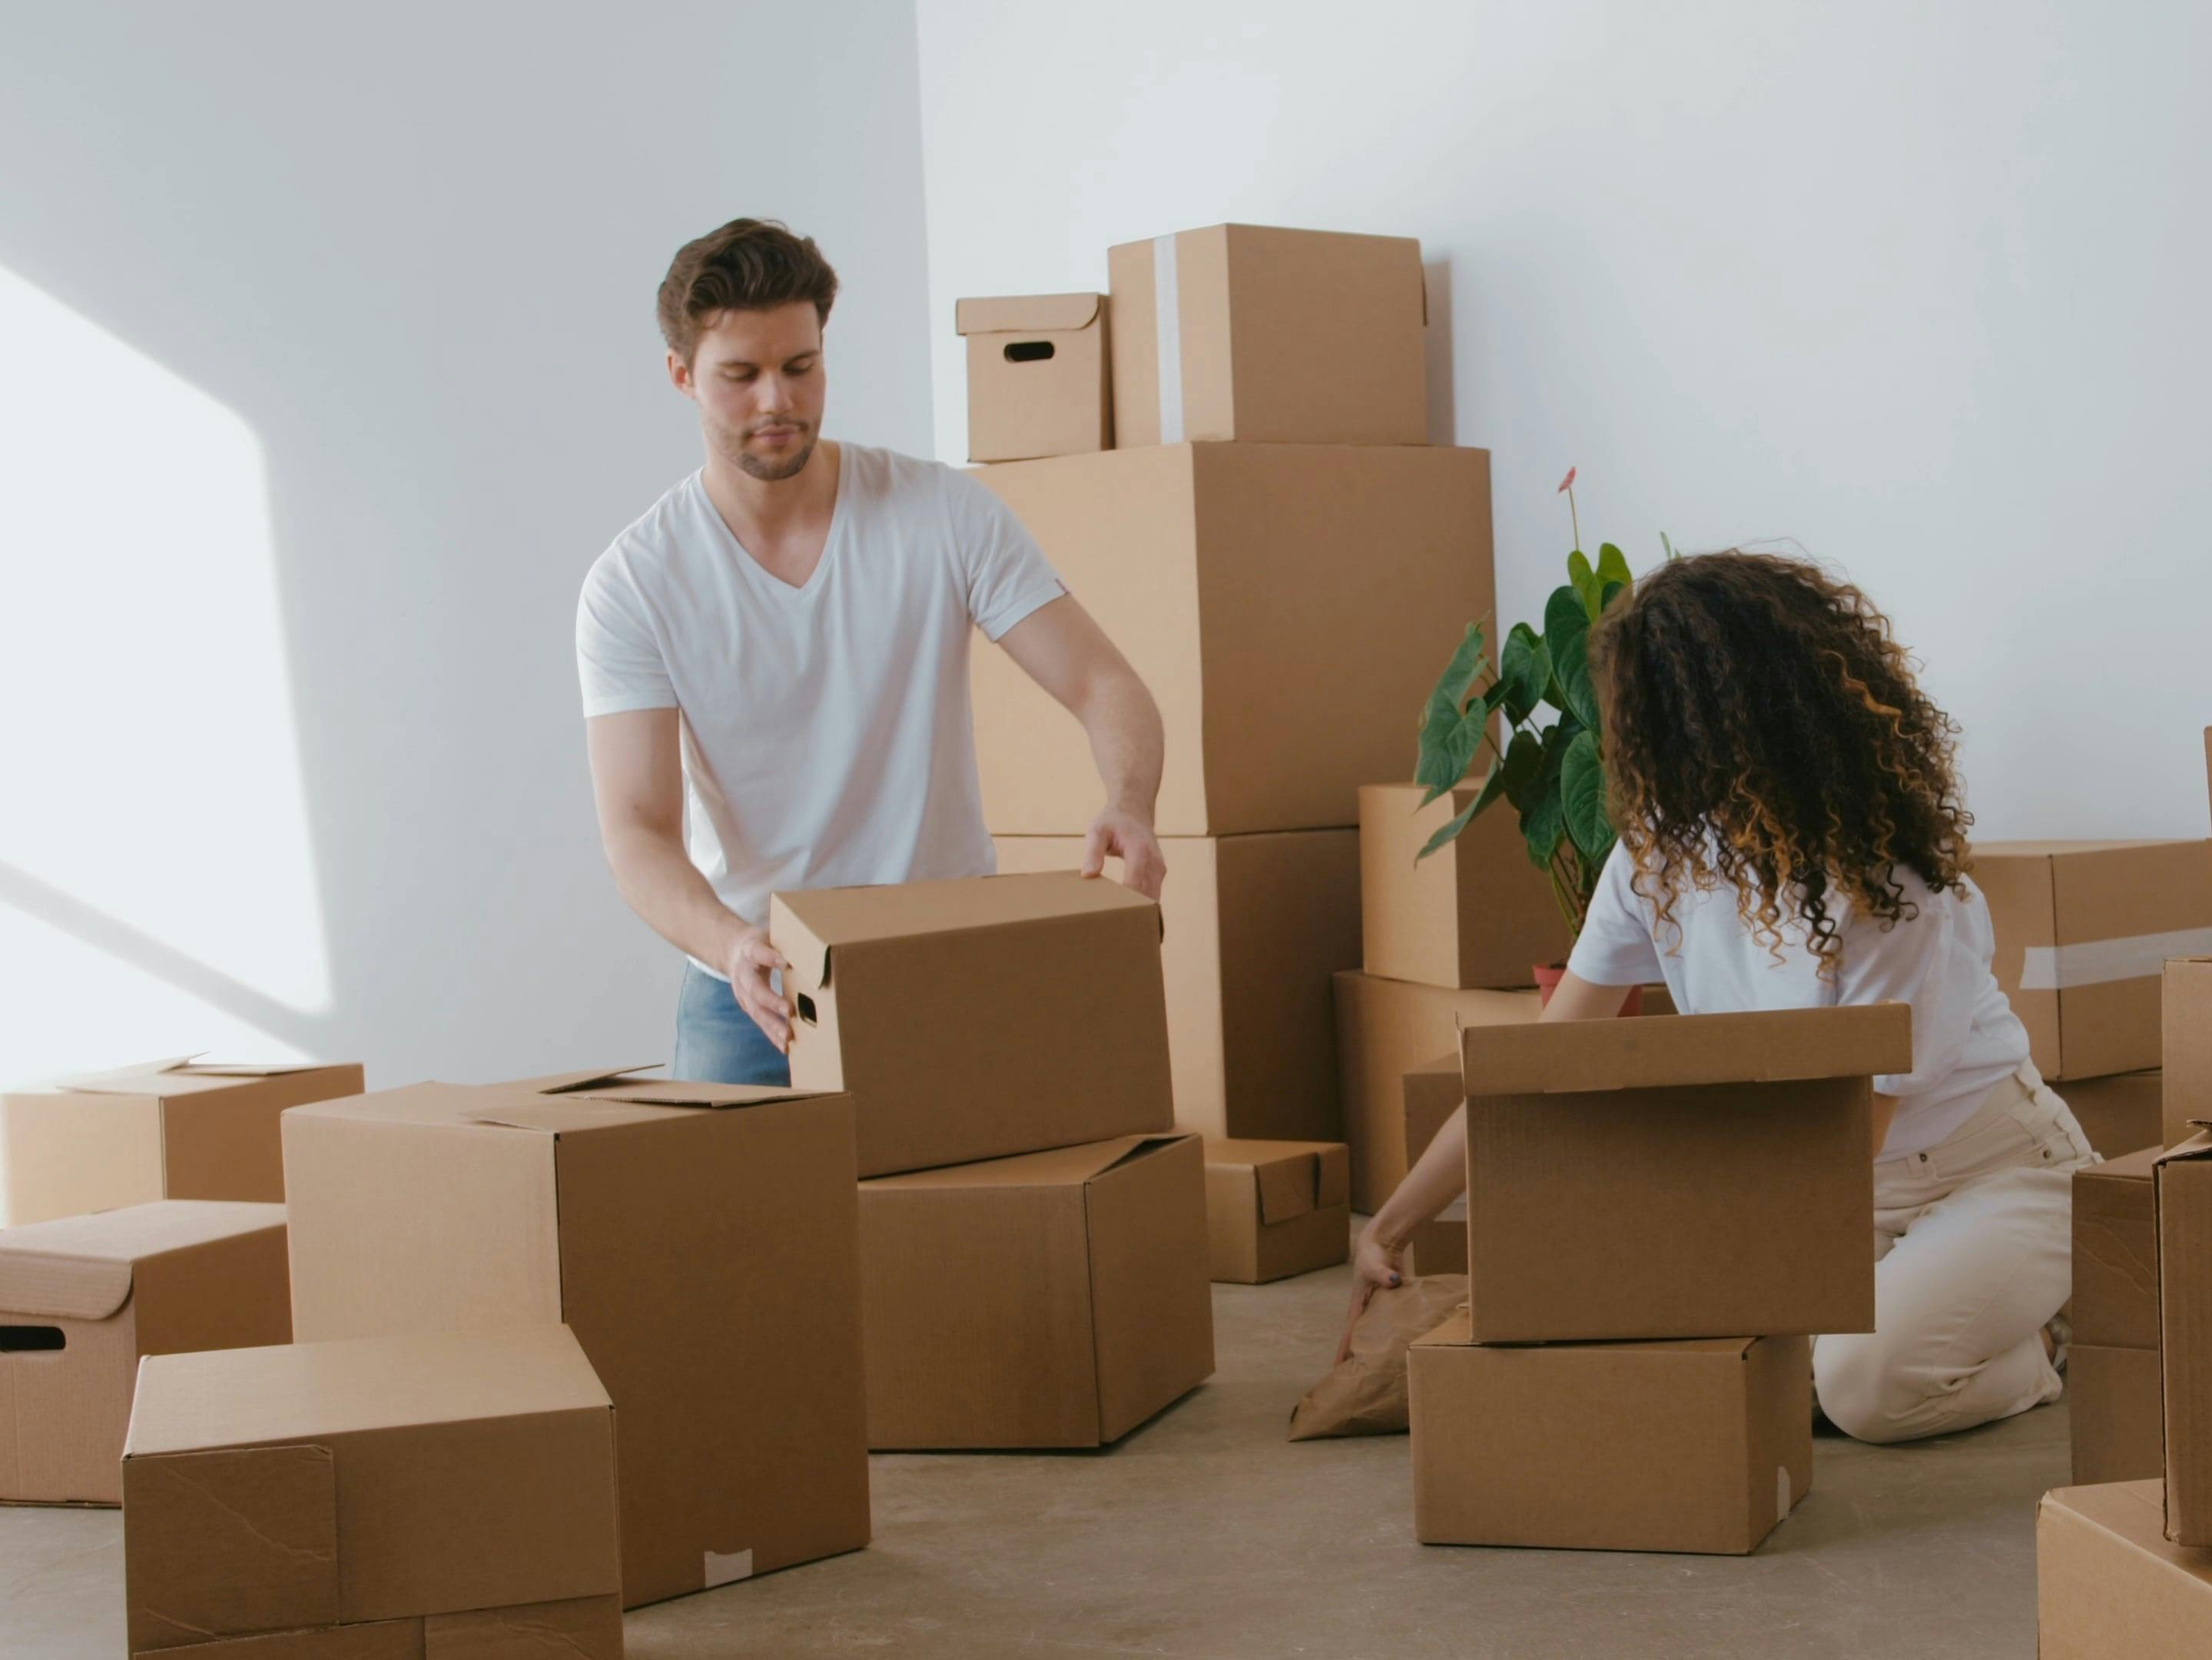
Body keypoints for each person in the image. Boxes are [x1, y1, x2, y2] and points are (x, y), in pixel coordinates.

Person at [1347, 550, 2094, 1443]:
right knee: (1708, 1351)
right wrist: (1390, 1227)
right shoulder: (1654, 862)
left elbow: (1854, 1133)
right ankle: (1921, 1319)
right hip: (1839, 1190)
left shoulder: (1893, 896)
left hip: (1986, 1173)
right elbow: (1533, 1070)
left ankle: (2043, 1345)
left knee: (1860, 1390)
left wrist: (1696, 1241)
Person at [576, 218, 1164, 1085]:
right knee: (742, 1226)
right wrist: (730, 944)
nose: (776, 400)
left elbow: (1102, 680)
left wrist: (1132, 799)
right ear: (681, 376)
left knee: (976, 1219)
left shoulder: (942, 514)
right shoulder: (636, 583)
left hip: (945, 965)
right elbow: (637, 829)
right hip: (753, 991)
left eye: (800, 367)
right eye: (739, 376)